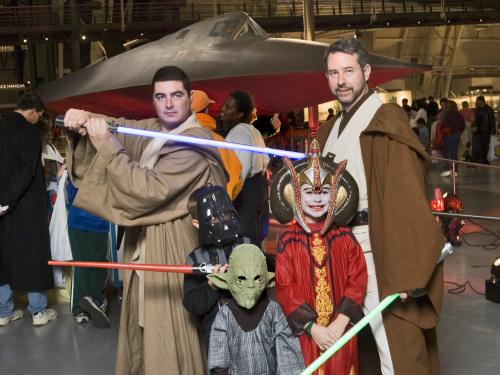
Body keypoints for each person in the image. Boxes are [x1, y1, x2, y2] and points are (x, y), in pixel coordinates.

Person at [61, 66, 226, 375]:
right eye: (160, 96)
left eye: (176, 95)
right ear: (153, 100)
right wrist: (84, 122)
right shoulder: (151, 128)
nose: (168, 104)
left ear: (189, 98)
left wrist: (106, 144)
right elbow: (118, 127)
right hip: (141, 248)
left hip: (174, 247)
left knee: (168, 328)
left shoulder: (195, 141)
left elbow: (149, 190)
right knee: (141, 324)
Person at [316, 38, 444, 375]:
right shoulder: (329, 129)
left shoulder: (385, 119)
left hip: (377, 251)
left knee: (396, 351)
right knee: (352, 354)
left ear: (367, 72)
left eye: (348, 71)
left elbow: (409, 198)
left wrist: (406, 270)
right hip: (336, 252)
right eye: (333, 73)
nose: (341, 80)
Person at [272, 140, 367, 374]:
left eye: (324, 192)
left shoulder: (344, 237)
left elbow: (358, 279)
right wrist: (312, 328)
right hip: (307, 336)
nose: (317, 199)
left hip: (341, 332)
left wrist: (341, 322)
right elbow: (285, 288)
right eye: (308, 192)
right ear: (296, 195)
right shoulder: (287, 240)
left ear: (334, 194)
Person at [0, 93, 57, 327]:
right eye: (39, 116)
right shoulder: (29, 132)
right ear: (33, 110)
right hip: (25, 206)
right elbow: (25, 171)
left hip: (3, 208)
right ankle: (38, 311)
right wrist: (6, 200)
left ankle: (3, 312)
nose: (38, 120)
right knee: (33, 254)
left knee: (3, 257)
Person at [207, 244, 305, 375]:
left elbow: (289, 360)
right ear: (225, 281)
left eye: (258, 279)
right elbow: (218, 364)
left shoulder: (274, 312)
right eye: (241, 280)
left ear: (267, 281)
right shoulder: (225, 315)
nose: (251, 286)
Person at [182, 184, 249, 353]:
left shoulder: (247, 244)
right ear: (197, 223)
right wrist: (211, 286)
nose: (223, 222)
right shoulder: (196, 259)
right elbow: (192, 303)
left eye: (226, 214)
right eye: (214, 219)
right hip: (216, 335)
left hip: (249, 329)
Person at [220, 91, 269, 245]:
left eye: (228, 107)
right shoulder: (253, 131)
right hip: (257, 187)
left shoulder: (239, 131)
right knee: (252, 236)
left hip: (243, 191)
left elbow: (240, 168)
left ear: (240, 114)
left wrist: (228, 197)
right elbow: (265, 159)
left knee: (243, 238)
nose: (222, 109)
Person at [66, 177, 111, 328]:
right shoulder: (106, 164)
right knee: (98, 265)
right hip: (98, 221)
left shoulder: (73, 169)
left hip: (76, 220)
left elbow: (70, 197)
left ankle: (80, 310)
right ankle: (96, 301)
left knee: (80, 265)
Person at [191, 90, 243, 200]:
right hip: (208, 206)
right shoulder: (217, 141)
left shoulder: (170, 137)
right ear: (207, 110)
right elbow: (235, 173)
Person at [439, 101, 465, 177]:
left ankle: (447, 169)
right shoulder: (459, 114)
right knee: (454, 153)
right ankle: (455, 171)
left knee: (445, 152)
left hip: (448, 135)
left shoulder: (447, 114)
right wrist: (458, 132)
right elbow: (463, 125)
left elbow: (444, 124)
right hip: (457, 135)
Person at [471, 96, 496, 164]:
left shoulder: (489, 109)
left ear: (481, 101)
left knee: (485, 146)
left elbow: (492, 120)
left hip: (485, 130)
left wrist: (493, 131)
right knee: (478, 146)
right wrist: (473, 126)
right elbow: (475, 120)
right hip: (478, 131)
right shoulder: (477, 109)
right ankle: (480, 160)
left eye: (477, 101)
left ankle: (485, 161)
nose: (476, 102)